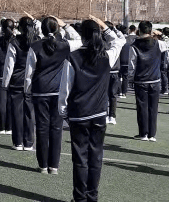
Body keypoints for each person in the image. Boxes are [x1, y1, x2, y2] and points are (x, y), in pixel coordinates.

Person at [59, 15, 125, 202]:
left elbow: (65, 90)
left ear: (82, 35)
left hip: (79, 114)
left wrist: (64, 113)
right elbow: (119, 41)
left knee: (80, 159)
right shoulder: (106, 57)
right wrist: (105, 28)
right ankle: (92, 196)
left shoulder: (73, 57)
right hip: (98, 114)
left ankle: (80, 198)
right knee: (95, 157)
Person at [25, 16, 81, 174]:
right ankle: (54, 166)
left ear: (42, 30)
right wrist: (66, 26)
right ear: (57, 29)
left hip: (40, 90)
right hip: (59, 90)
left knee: (42, 127)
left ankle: (43, 165)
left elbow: (29, 73)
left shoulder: (35, 46)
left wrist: (27, 90)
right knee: (57, 128)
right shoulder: (64, 45)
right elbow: (80, 40)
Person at [128, 20, 169, 141]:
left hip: (140, 80)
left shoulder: (134, 45)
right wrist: (161, 34)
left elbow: (132, 65)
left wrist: (130, 79)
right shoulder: (158, 43)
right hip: (155, 79)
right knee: (153, 108)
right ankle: (152, 134)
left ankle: (143, 133)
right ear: (150, 30)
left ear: (140, 30)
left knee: (142, 107)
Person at [3, 16, 39, 151]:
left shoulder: (14, 42)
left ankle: (18, 142)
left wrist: (5, 83)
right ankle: (29, 142)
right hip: (33, 81)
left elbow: (9, 66)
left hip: (17, 81)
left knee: (17, 113)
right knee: (30, 113)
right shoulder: (37, 41)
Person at [0, 18, 15, 135]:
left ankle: (2, 127)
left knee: (1, 102)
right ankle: (9, 127)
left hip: (0, 73)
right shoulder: (16, 40)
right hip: (14, 75)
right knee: (11, 102)